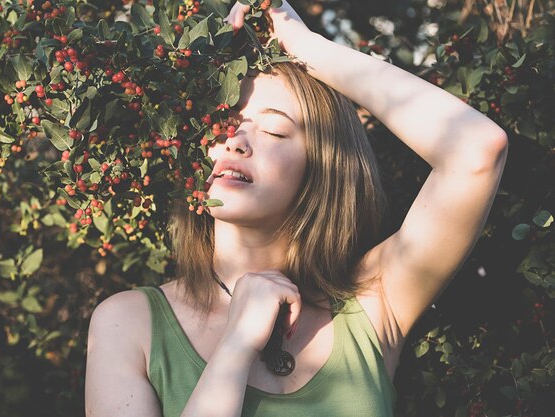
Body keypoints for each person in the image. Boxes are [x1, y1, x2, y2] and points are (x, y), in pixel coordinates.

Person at [84, 1, 508, 416]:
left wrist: (307, 47)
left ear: (321, 166)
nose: (235, 141)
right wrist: (235, 345)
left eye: (273, 129)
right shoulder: (129, 325)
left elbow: (475, 150)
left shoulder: (374, 305)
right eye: (223, 123)